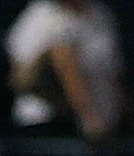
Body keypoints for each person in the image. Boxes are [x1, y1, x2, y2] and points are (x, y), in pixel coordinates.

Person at [8, 0, 124, 137]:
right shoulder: (41, 16)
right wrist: (89, 116)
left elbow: (114, 71)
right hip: (51, 123)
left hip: (104, 119)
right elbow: (65, 67)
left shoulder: (100, 12)